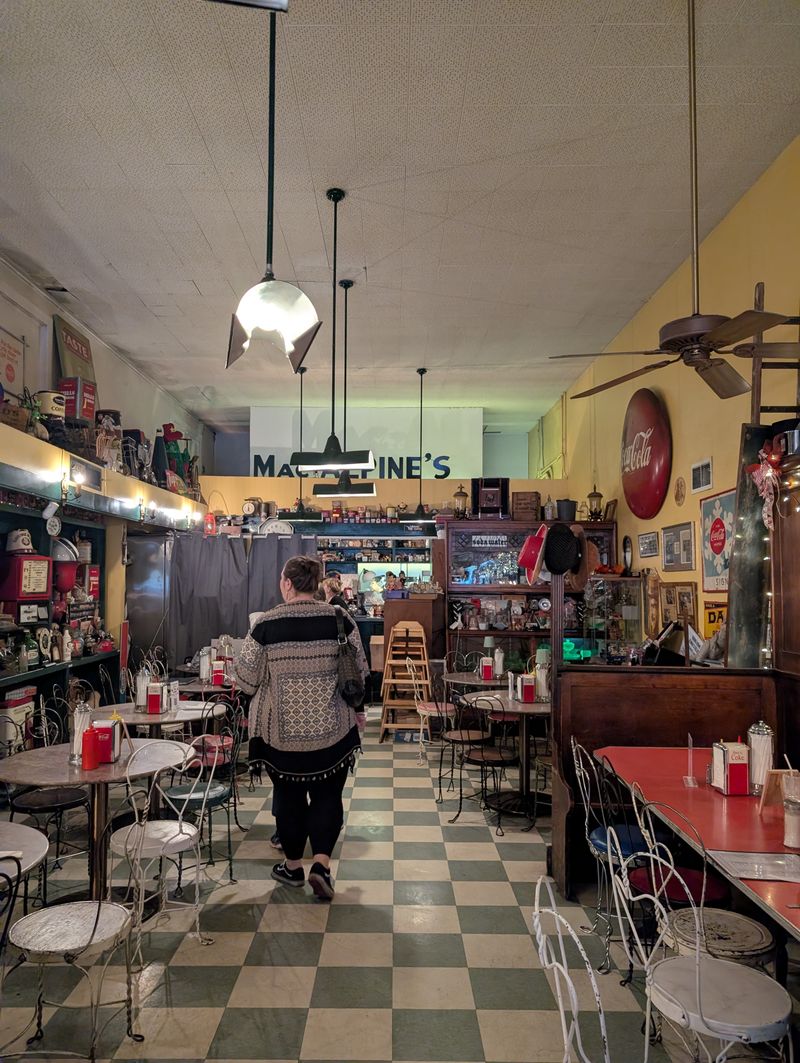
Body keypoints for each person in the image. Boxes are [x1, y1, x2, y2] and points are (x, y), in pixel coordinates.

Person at [235, 555, 368, 900]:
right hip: (333, 731)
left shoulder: (265, 623)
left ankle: (293, 866)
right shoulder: (340, 618)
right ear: (317, 583)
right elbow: (361, 670)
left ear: (288, 584)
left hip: (281, 737)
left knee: (289, 796)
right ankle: (321, 864)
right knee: (328, 795)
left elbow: (247, 679)